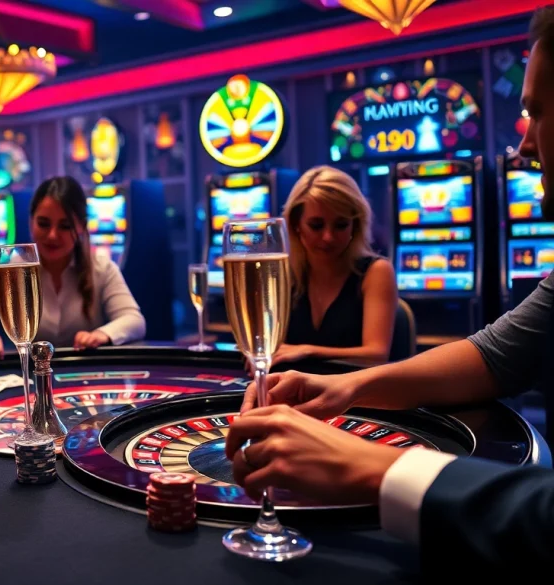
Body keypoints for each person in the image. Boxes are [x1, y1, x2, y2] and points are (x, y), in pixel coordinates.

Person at [225, 8, 554, 571]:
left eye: (537, 112)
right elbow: (495, 357)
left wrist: (372, 468)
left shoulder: (371, 271)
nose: (522, 146)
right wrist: (342, 390)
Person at [0, 176, 145, 356]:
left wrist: (102, 334)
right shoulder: (12, 268)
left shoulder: (102, 268)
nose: (52, 235)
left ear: (82, 227)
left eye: (65, 226)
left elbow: (134, 321)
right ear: (31, 222)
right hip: (30, 378)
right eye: (43, 224)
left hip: (86, 378)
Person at [277, 166, 397, 366]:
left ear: (355, 225)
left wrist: (307, 351)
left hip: (357, 393)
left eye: (341, 225)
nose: (328, 237)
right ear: (296, 225)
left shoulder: (376, 271)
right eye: (316, 225)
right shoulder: (285, 274)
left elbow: (376, 355)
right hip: (294, 392)